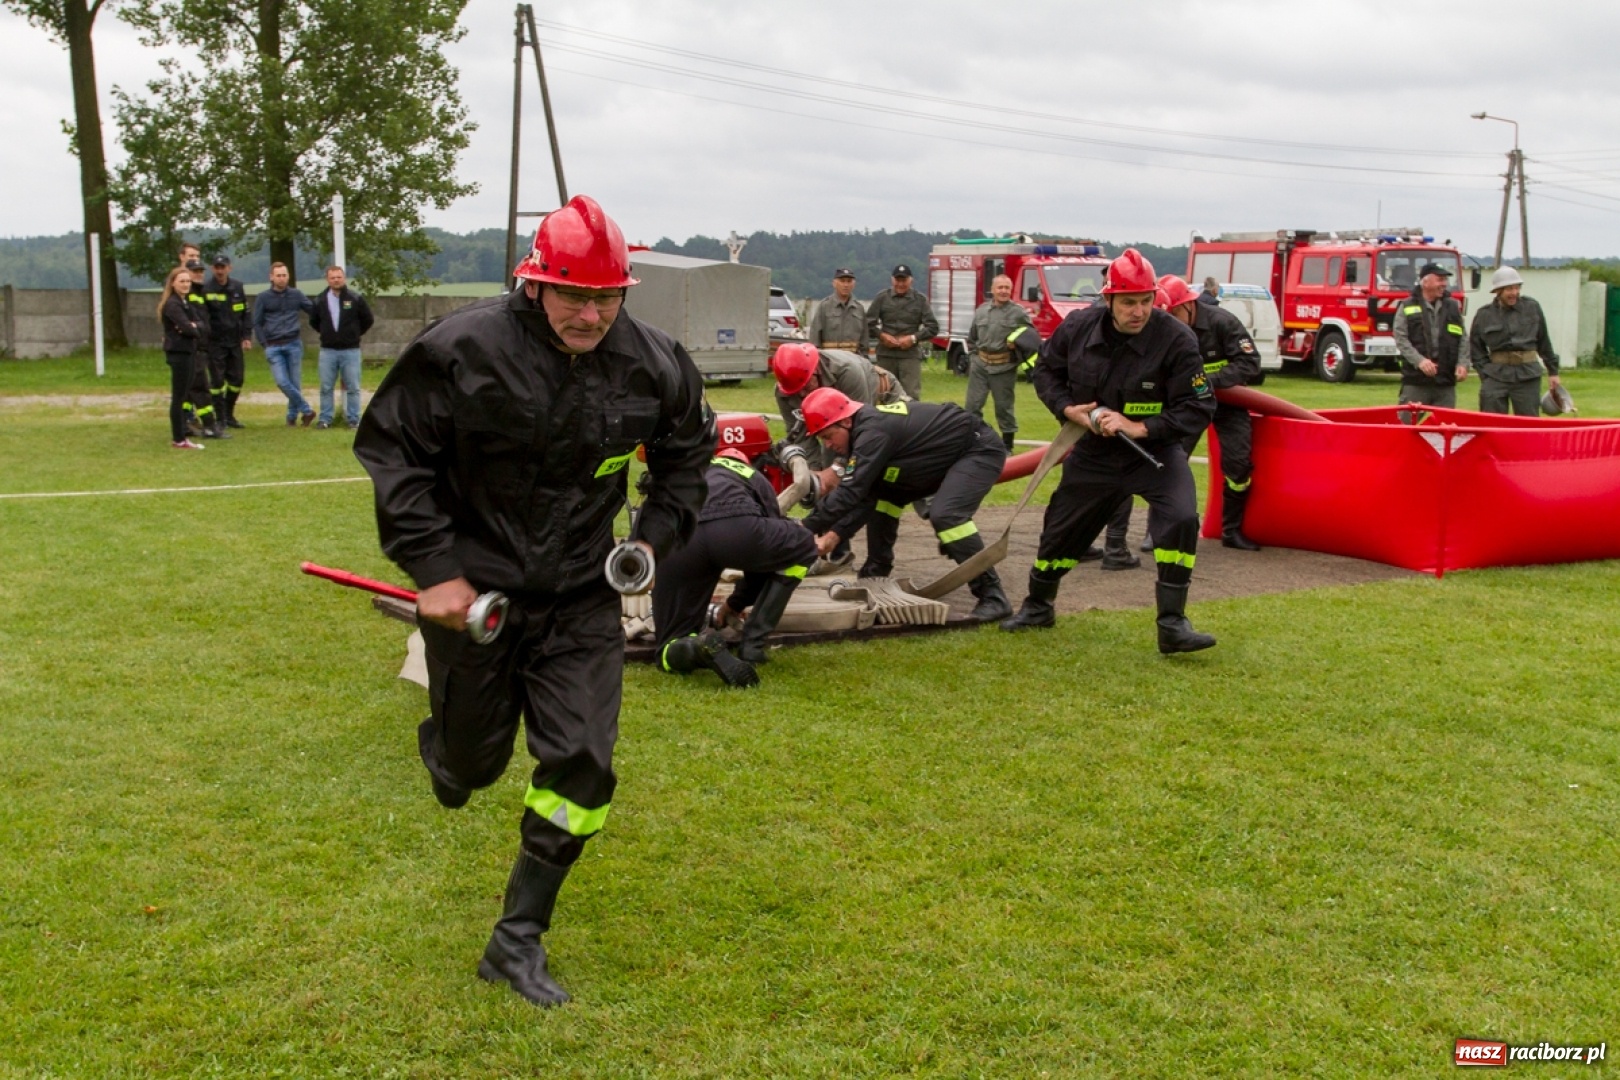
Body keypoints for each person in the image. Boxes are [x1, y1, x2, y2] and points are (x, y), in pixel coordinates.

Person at [353, 194, 713, 1008]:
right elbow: (393, 450)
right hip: (478, 595)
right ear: (533, 283)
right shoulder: (460, 350)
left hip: (583, 597)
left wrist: (651, 538)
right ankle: (448, 750)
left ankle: (517, 939)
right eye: (572, 295)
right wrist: (436, 570)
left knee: (582, 765)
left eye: (606, 296)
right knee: (475, 767)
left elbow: (687, 458)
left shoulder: (654, 362)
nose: (589, 314)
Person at [1000, 249, 1218, 654]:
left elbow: (1199, 406)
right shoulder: (1079, 327)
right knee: (1061, 531)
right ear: (1108, 300)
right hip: (1094, 454)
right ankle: (1038, 606)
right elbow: (1048, 371)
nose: (1139, 312)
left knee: (1181, 517)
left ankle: (1173, 623)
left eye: (1146, 301)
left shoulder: (1177, 339)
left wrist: (1142, 427)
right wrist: (1067, 409)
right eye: (1129, 302)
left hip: (1155, 453)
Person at [798, 387, 1012, 622]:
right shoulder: (864, 430)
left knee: (947, 516)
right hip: (943, 454)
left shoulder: (873, 433)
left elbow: (851, 491)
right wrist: (834, 535)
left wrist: (803, 529)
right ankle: (874, 575)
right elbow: (866, 497)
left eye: (828, 436)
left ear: (846, 421)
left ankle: (993, 597)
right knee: (883, 498)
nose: (827, 445)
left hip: (977, 450)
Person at [653, 448, 818, 684]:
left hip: (678, 536)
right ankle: (752, 645)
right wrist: (736, 602)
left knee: (668, 646)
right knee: (801, 546)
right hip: (734, 530)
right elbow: (764, 565)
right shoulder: (751, 475)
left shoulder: (684, 467)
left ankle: (695, 647)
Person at [772, 341, 907, 574]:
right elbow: (802, 436)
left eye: (806, 387)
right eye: (797, 393)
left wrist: (837, 470)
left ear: (816, 371)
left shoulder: (847, 373)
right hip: (839, 422)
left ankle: (880, 558)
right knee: (825, 480)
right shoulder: (785, 393)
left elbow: (863, 429)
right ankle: (837, 554)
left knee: (877, 478)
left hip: (881, 407)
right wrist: (815, 475)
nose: (802, 396)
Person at [1159, 274, 1264, 551]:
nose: (1169, 320)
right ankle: (1158, 531)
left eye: (1174, 313)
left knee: (1238, 465)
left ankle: (1231, 532)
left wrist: (1209, 381)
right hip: (1187, 405)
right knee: (1172, 461)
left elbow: (1250, 363)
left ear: (1189, 305)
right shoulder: (1164, 329)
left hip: (1227, 405)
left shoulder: (1222, 322)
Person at [1469, 266, 1561, 416]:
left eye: (1517, 288)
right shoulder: (1484, 315)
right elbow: (1475, 348)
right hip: (1495, 376)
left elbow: (1544, 341)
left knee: (1528, 425)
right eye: (1509, 289)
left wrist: (1553, 372)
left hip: (1528, 375)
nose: (1514, 293)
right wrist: (1485, 374)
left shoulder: (1532, 307)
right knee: (1491, 423)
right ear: (1498, 291)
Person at [964, 274, 1032, 454]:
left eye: (1007, 288)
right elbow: (972, 337)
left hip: (1004, 367)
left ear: (1011, 291)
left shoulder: (1019, 313)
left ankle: (1007, 446)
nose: (1003, 291)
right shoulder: (981, 311)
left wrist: (1016, 344)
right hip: (980, 365)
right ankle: (973, 442)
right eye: (1000, 287)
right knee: (972, 406)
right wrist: (974, 357)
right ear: (992, 290)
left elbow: (1031, 337)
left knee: (1004, 407)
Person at [1393, 262, 1470, 409]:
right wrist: (1420, 361)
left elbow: (1463, 338)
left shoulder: (1453, 306)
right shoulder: (1407, 305)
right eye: (1440, 279)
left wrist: (1463, 364)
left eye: (1445, 280)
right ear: (1425, 282)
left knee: (1445, 427)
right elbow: (1400, 338)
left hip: (1445, 381)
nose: (1444, 284)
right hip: (1416, 380)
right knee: (1407, 426)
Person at [309, 265, 375, 429]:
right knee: (326, 387)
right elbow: (314, 321)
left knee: (353, 387)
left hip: (350, 351)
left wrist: (354, 334)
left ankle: (353, 419)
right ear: (327, 280)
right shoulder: (319, 300)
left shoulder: (355, 298)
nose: (336, 280)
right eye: (332, 277)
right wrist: (328, 333)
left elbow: (368, 319)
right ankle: (325, 419)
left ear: (344, 278)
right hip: (328, 351)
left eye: (339, 277)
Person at [252, 262, 316, 426]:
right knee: (282, 381)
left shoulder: (296, 294)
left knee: (294, 383)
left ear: (288, 276)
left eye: (284, 275)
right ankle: (307, 410)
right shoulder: (263, 298)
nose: (282, 278)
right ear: (271, 277)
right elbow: (257, 323)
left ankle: (291, 417)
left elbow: (313, 310)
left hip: (293, 343)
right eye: (278, 275)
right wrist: (264, 344)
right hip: (273, 345)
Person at [865, 264, 939, 400]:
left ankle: (911, 421)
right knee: (883, 393)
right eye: (897, 280)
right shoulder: (882, 298)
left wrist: (913, 338)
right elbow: (867, 323)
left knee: (910, 396)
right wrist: (882, 336)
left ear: (911, 280)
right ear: (892, 280)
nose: (900, 284)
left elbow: (933, 327)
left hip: (909, 357)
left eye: (904, 280)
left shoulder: (920, 300)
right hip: (886, 355)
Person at [201, 255, 253, 429]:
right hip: (215, 342)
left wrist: (246, 336)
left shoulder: (237, 287)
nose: (220, 270)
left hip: (234, 341)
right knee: (217, 382)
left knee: (237, 380)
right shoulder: (206, 288)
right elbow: (203, 315)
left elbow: (245, 313)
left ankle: (229, 414)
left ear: (229, 268)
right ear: (212, 268)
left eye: (223, 267)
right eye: (217, 267)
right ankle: (220, 418)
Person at [159, 266, 207, 450]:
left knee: (184, 393)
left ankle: (181, 436)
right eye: (182, 281)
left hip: (188, 351)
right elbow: (189, 329)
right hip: (178, 353)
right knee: (179, 396)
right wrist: (191, 328)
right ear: (173, 283)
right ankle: (179, 438)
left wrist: (193, 326)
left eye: (188, 281)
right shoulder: (172, 304)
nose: (186, 284)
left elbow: (201, 324)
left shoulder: (185, 303)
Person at [182, 258, 228, 439]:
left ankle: (185, 422)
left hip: (203, 345)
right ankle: (209, 426)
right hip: (193, 347)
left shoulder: (202, 292)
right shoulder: (186, 295)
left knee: (189, 389)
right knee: (200, 388)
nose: (199, 274)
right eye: (194, 271)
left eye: (201, 271)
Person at [806, 267, 868, 353]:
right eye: (842, 281)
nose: (846, 285)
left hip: (854, 361)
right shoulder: (824, 307)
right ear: (834, 283)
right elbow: (815, 338)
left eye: (849, 281)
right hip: (830, 361)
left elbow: (864, 341)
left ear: (853, 285)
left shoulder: (859, 309)